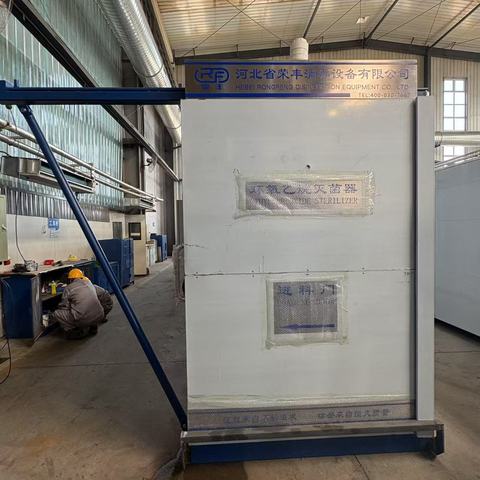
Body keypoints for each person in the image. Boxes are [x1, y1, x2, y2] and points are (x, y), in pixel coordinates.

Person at [50, 268, 106, 340]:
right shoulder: (89, 283)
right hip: (99, 315)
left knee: (57, 313)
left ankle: (73, 332)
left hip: (84, 319)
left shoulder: (69, 288)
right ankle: (93, 326)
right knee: (88, 307)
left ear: (71, 279)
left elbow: (63, 305)